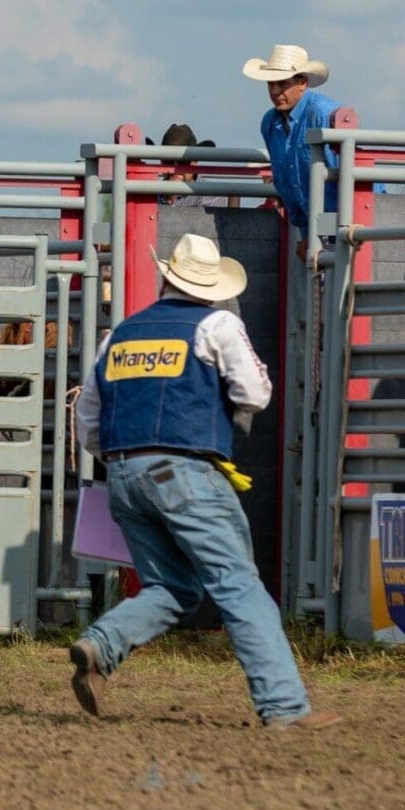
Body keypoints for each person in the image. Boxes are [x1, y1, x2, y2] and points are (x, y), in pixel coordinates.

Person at [69, 234, 338, 728]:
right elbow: (254, 394)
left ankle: (102, 644)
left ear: (167, 276)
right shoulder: (218, 324)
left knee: (172, 587)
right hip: (185, 472)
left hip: (124, 475)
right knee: (238, 587)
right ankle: (283, 705)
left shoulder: (120, 335)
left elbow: (87, 419)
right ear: (213, 286)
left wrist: (124, 458)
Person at [244, 44, 352, 238]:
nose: (276, 91)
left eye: (283, 84)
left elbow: (347, 172)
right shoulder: (269, 123)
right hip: (317, 223)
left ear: (302, 83)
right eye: (271, 84)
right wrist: (305, 234)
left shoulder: (322, 113)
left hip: (348, 219)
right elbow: (285, 181)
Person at [149, 123, 228, 208]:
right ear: (161, 162)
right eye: (169, 161)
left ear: (195, 161)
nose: (175, 167)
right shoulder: (149, 195)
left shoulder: (212, 194)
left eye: (183, 161)